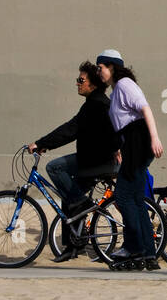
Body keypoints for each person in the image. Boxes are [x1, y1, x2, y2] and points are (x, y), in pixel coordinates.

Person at [28, 60, 120, 263]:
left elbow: (71, 130)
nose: (77, 83)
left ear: (93, 84)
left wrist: (41, 143)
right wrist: (45, 144)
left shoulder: (96, 105)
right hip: (94, 161)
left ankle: (81, 203)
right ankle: (72, 246)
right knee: (68, 195)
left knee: (55, 167)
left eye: (81, 80)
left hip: (98, 162)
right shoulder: (95, 103)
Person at [95, 49, 167, 271]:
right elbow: (123, 122)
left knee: (124, 197)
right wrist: (120, 147)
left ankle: (133, 247)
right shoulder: (118, 90)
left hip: (139, 142)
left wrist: (154, 138)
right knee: (135, 200)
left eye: (101, 68)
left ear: (112, 67)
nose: (99, 72)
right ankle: (147, 253)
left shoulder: (125, 84)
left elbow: (145, 109)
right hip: (133, 144)